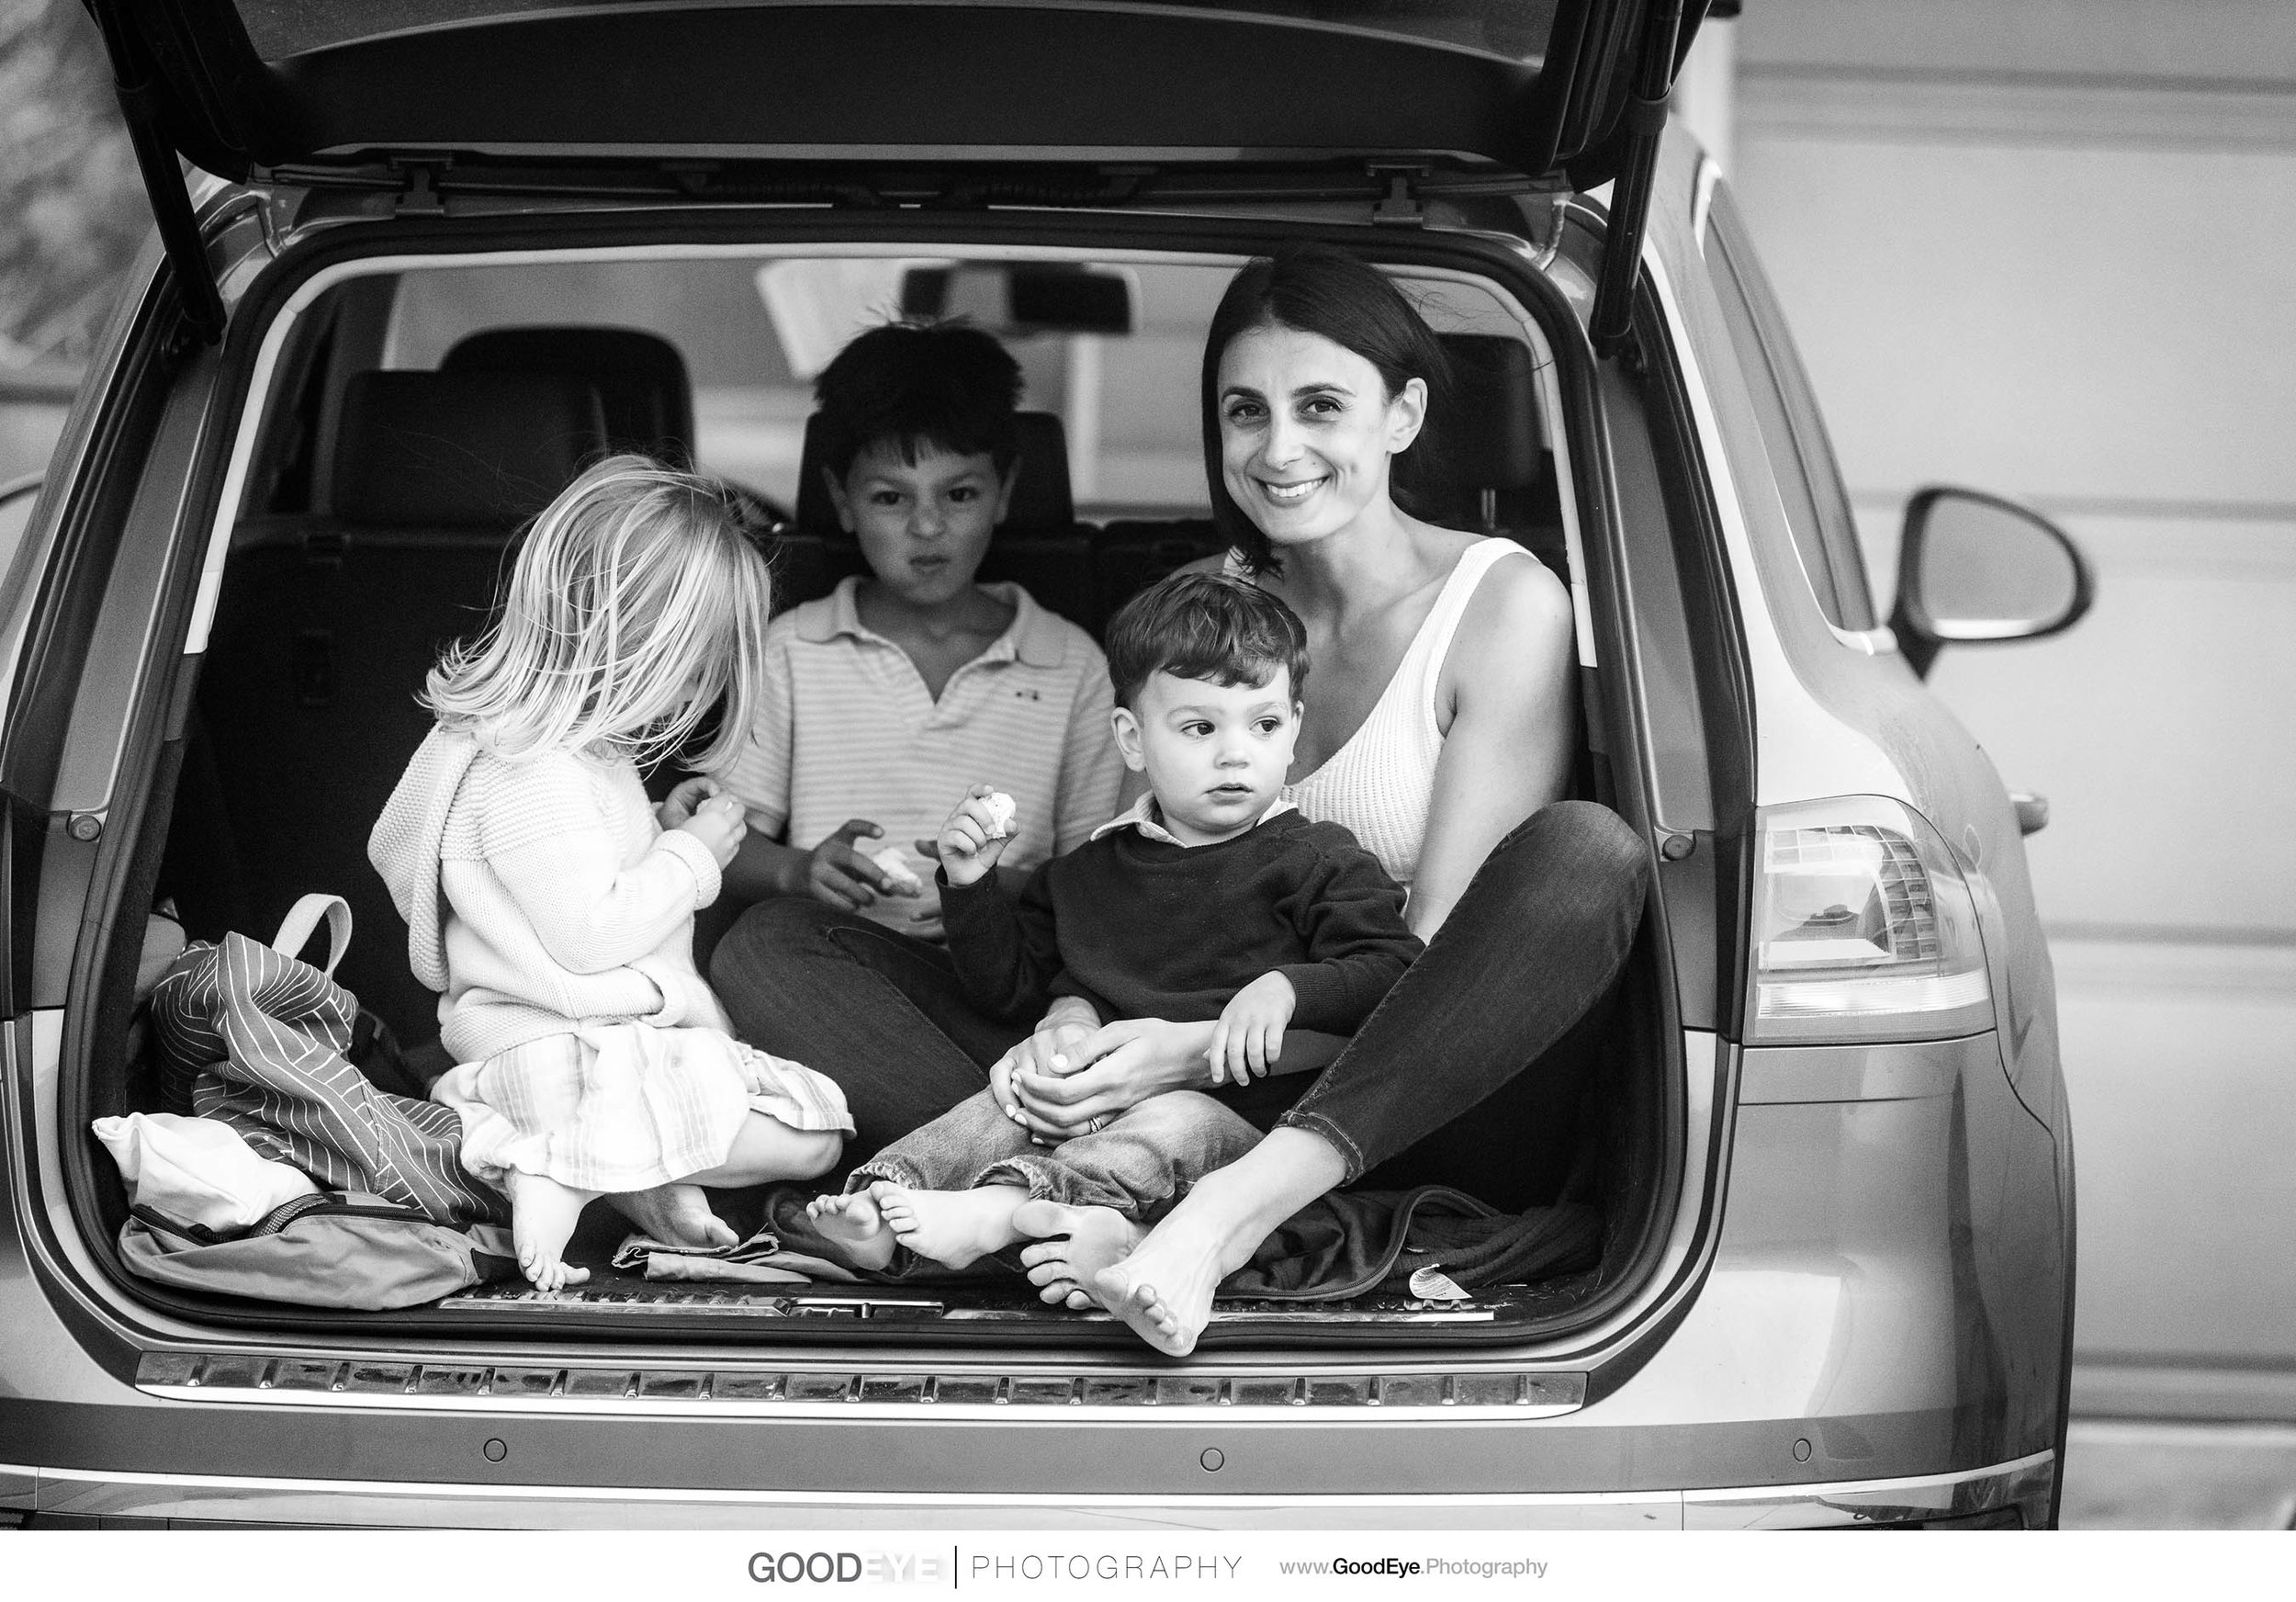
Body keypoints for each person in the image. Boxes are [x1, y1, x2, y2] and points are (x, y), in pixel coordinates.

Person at [997, 243, 1650, 1353]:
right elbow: (1134, 884)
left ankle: (1223, 1217)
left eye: (1320, 406)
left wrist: (1194, 1050)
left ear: (1401, 415)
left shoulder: (1500, 603)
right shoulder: (1208, 612)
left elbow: (1437, 957)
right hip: (1180, 1068)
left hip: (1418, 1088)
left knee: (1585, 853)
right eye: (1245, 411)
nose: (1277, 448)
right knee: (786, 944)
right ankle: (1065, 1184)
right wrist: (1070, 1039)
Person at [805, 572, 1421, 1275]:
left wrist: (1288, 989)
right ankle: (886, 1203)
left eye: (1265, 724)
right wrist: (972, 887)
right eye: (1199, 727)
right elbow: (1007, 991)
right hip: (1089, 1108)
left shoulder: (1320, 860)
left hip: (1244, 1134)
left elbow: (1397, 975)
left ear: (1293, 732)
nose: (1235, 752)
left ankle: (1003, 1210)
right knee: (1003, 1103)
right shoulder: (1088, 871)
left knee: (1177, 1120)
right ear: (1132, 739)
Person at [370, 457, 853, 1292]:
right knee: (815, 1134)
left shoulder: (565, 755)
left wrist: (666, 830)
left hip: (582, 1058)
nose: (703, 690)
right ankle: (565, 1167)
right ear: (631, 640)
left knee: (808, 1127)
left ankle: (620, 1176)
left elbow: (573, 882)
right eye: (699, 664)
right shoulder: (536, 771)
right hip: (564, 1060)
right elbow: (592, 936)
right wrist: (694, 857)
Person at [709, 321, 1124, 1155]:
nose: (926, 529)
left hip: (1007, 992)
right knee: (759, 946)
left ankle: (952, 1156)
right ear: (840, 498)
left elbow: (1106, 880)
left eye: (959, 495)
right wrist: (799, 867)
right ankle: (1026, 1162)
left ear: (1005, 491)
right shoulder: (791, 647)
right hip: (834, 976)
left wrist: (989, 892)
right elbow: (714, 843)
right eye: (891, 498)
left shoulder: (1072, 661)